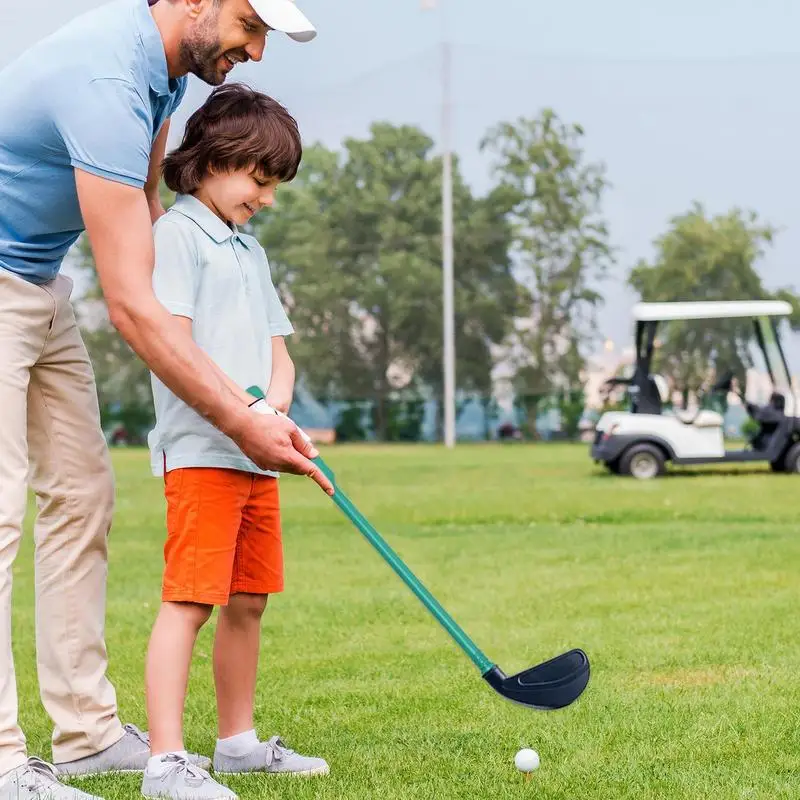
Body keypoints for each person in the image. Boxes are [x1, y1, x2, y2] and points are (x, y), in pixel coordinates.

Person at [0, 1, 331, 798]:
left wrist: (241, 396)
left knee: (83, 497)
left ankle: (86, 734)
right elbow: (135, 305)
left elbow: (145, 223)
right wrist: (237, 420)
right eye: (251, 25)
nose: (256, 48)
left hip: (40, 284)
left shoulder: (164, 79)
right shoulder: (109, 78)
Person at [140, 82, 329, 800]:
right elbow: (174, 344)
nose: (269, 197)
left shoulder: (248, 251)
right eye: (261, 179)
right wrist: (243, 416)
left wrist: (275, 409)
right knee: (190, 600)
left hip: (257, 455)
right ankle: (165, 761)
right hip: (202, 453)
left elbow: (280, 348)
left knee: (249, 600)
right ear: (216, 159)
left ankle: (238, 744)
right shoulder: (176, 238)